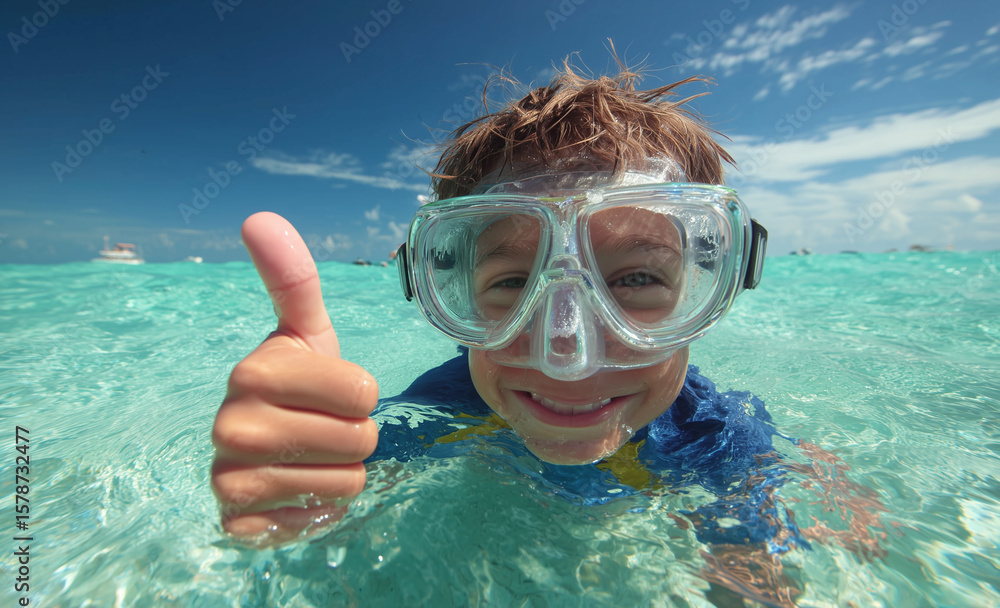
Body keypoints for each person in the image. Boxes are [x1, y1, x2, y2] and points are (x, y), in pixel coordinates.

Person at [211, 61, 769, 540]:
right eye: (512, 283)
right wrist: (288, 478)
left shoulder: (716, 432)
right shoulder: (439, 409)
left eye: (636, 279)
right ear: (454, 294)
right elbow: (339, 501)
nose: (567, 353)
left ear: (706, 287)